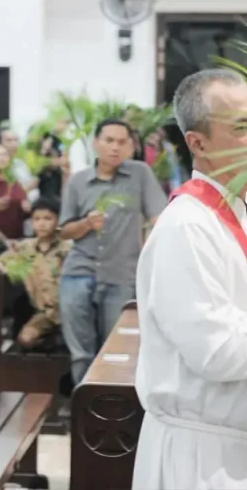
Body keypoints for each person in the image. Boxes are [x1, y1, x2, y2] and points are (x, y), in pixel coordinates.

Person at [133, 69, 247, 489]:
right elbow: (218, 351)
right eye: (242, 126)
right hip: (203, 461)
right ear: (198, 143)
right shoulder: (187, 227)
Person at [58, 118, 167, 384]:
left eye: (121, 142)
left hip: (121, 274)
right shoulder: (78, 181)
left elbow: (160, 218)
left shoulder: (140, 174)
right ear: (96, 143)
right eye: (109, 140)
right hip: (78, 273)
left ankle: (110, 405)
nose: (115, 147)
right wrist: (86, 224)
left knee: (118, 348)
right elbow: (64, 230)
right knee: (81, 353)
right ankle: (83, 405)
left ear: (130, 146)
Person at [0, 196, 70, 349]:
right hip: (44, 313)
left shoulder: (67, 248)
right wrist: (12, 272)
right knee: (26, 339)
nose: (42, 224)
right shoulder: (25, 247)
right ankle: (50, 345)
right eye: (37, 219)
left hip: (68, 310)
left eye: (48, 218)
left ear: (58, 220)